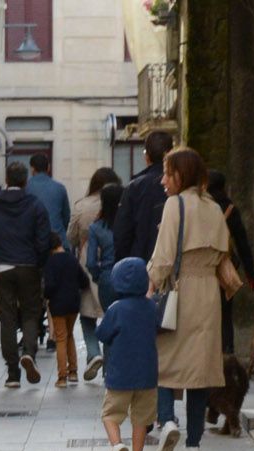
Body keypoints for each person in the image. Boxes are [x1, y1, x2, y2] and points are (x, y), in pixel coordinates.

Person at [148, 146, 230, 451]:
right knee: (199, 369)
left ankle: (167, 420)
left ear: (182, 174)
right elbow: (223, 252)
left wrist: (150, 283)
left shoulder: (175, 205)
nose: (164, 181)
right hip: (208, 294)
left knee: (163, 360)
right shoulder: (213, 207)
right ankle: (194, 446)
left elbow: (164, 256)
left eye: (169, 173)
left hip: (179, 291)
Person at [0, 161, 52, 388]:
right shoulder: (35, 205)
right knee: (30, 314)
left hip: (1, 267)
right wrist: (39, 264)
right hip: (28, 266)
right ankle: (28, 352)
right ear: (25, 181)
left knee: (7, 319)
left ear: (6, 180)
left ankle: (12, 373)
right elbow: (43, 238)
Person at [96, 256, 160, 451]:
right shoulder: (152, 308)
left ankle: (116, 446)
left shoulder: (116, 309)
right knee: (141, 420)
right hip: (147, 375)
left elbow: (102, 334)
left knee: (110, 414)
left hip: (119, 375)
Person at [68, 166, 120, 374]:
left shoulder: (82, 206)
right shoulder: (122, 203)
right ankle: (110, 361)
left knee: (87, 314)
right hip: (116, 263)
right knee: (113, 314)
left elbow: (70, 236)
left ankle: (93, 352)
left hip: (87, 264)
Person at [206, 169, 254, 355]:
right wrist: (251, 273)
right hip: (226, 266)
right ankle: (227, 352)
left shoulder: (202, 206)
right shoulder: (229, 207)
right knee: (225, 313)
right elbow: (242, 242)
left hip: (203, 265)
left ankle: (207, 352)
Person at [113, 128, 174, 263]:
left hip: (141, 263)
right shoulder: (181, 184)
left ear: (146, 156)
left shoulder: (135, 187)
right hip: (172, 263)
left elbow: (122, 234)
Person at [41, 237, 86, 386]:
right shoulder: (72, 259)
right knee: (69, 335)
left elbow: (50, 286)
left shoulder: (51, 262)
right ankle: (73, 371)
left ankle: (62, 377)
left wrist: (47, 296)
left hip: (58, 305)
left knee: (60, 338)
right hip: (73, 303)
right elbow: (84, 280)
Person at [85, 182, 122, 315]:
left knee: (111, 321)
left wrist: (98, 276)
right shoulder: (129, 223)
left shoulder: (96, 227)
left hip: (107, 278)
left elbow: (90, 262)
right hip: (129, 275)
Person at [27, 152, 71, 243]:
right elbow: (66, 216)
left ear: (32, 169)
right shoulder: (60, 188)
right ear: (48, 168)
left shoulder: (25, 188)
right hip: (58, 240)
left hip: (33, 242)